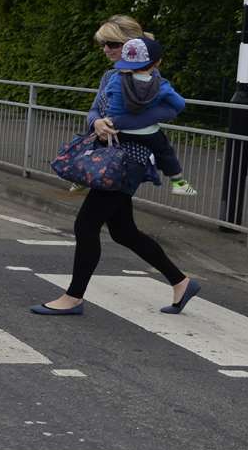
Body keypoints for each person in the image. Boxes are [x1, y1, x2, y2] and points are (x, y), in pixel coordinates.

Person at [31, 28, 203, 317]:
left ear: (130, 47)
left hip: (125, 162)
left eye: (112, 44)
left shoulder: (150, 82)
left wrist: (119, 121)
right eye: (103, 44)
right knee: (124, 232)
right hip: (111, 157)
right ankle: (181, 282)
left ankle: (73, 297)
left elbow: (166, 112)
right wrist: (97, 122)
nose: (106, 50)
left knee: (86, 225)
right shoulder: (111, 77)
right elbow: (94, 110)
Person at [102, 38, 197, 196]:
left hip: (117, 129)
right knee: (165, 152)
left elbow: (108, 95)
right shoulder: (161, 85)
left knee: (99, 146)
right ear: (157, 62)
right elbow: (180, 104)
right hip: (149, 132)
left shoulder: (116, 79)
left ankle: (82, 176)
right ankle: (178, 182)